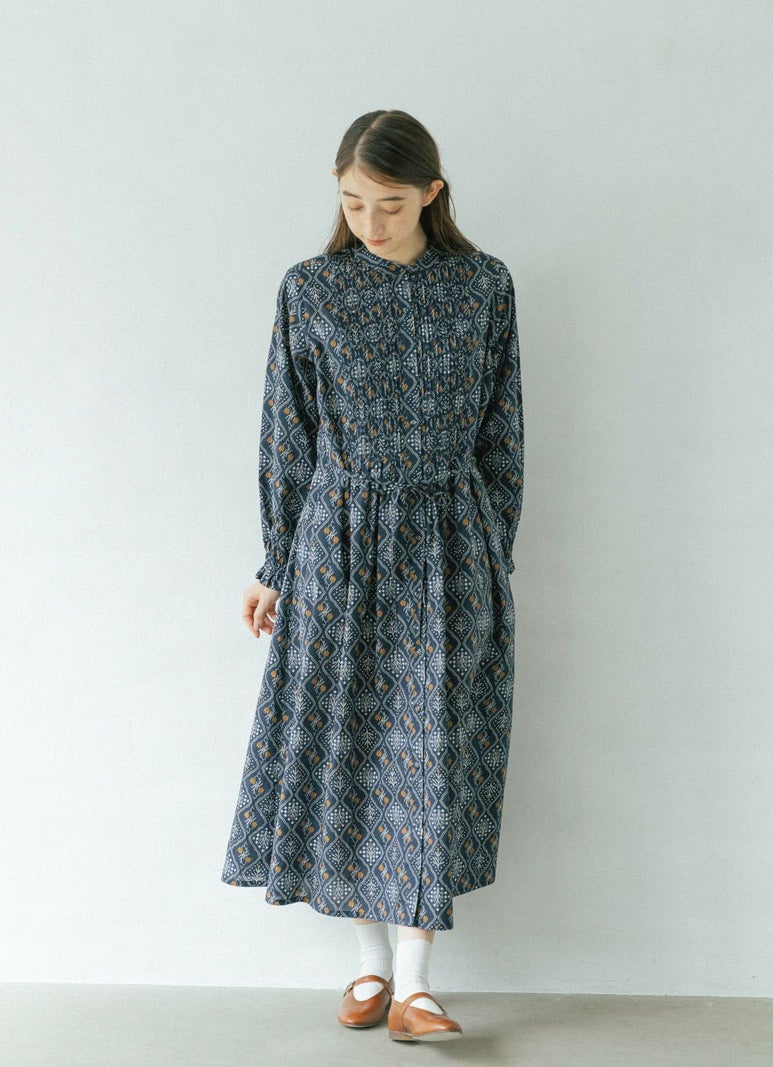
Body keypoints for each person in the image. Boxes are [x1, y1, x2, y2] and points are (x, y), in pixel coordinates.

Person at [220, 109, 525, 1043]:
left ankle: (417, 986)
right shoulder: (311, 288)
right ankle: (368, 966)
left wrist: (494, 552)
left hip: (448, 542)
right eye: (354, 203)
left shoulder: (482, 285)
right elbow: (287, 433)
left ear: (432, 191)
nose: (371, 222)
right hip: (337, 544)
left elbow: (503, 428)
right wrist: (276, 562)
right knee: (346, 742)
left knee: (432, 751)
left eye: (390, 203)